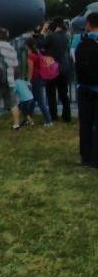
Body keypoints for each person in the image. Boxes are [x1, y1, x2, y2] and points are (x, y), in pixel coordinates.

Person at [75, 12, 98, 168]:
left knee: (85, 123)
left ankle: (85, 156)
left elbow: (74, 62)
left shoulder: (79, 42)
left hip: (83, 87)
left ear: (88, 24)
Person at [42, 18, 74, 123]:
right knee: (64, 94)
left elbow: (40, 45)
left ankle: (53, 116)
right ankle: (67, 116)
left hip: (51, 68)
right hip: (63, 67)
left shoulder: (51, 37)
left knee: (51, 93)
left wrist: (43, 32)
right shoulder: (65, 37)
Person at [24, 37, 53, 126]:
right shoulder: (38, 53)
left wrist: (28, 81)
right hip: (40, 77)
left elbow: (30, 69)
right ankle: (28, 118)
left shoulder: (31, 56)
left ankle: (49, 120)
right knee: (33, 100)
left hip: (35, 79)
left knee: (40, 101)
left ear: (27, 46)